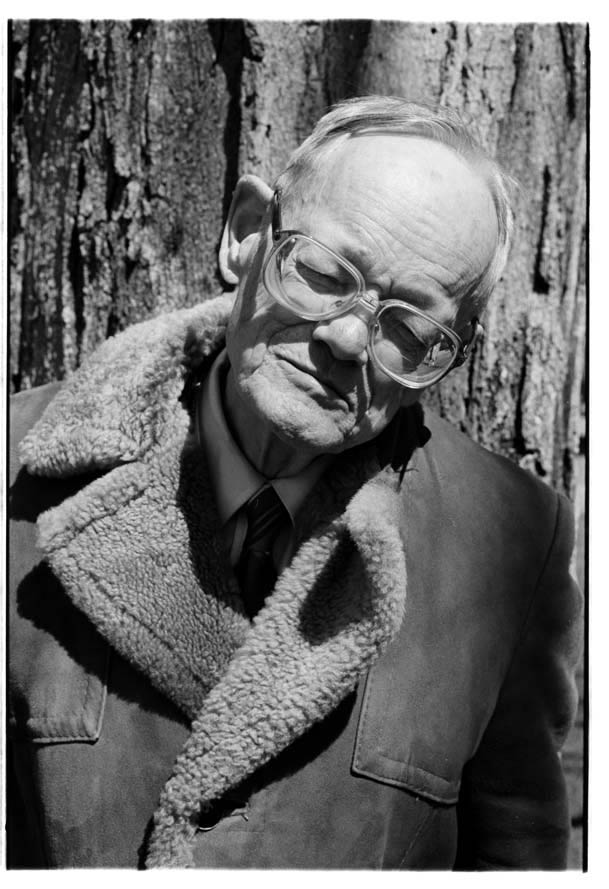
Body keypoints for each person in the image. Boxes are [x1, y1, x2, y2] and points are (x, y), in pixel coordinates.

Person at [8, 96, 582, 870]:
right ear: (247, 234)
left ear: (445, 356)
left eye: (408, 327)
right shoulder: (16, 472)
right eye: (320, 272)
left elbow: (515, 859)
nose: (346, 337)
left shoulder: (510, 547)